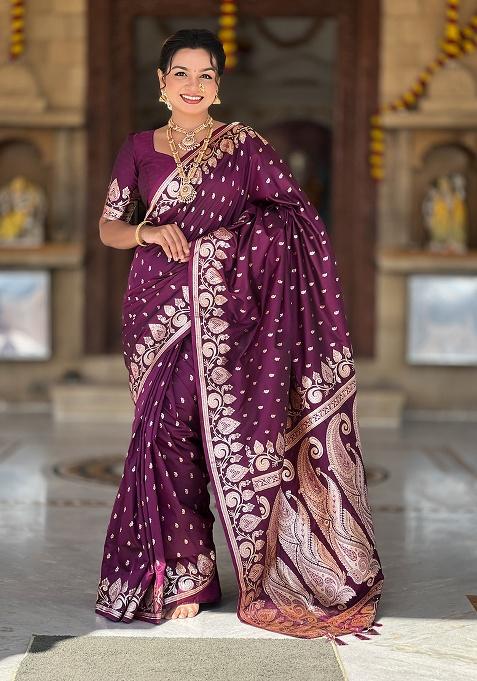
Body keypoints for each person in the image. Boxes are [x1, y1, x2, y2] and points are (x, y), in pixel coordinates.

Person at [94, 27, 384, 640]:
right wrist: (148, 232)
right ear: (161, 81)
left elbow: (295, 220)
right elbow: (110, 227)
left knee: (221, 435)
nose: (193, 85)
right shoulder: (138, 148)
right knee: (164, 434)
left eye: (205, 75)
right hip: (155, 311)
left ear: (218, 86)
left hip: (230, 316)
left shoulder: (245, 147)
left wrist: (222, 246)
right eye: (181, 73)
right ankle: (185, 575)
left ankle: (278, 568)